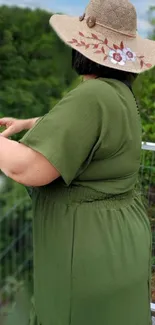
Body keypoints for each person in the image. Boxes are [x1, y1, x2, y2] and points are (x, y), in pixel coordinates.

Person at [0, 0, 155, 324]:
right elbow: (84, 129)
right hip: (120, 247)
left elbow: (27, 168)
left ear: (83, 47)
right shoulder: (120, 93)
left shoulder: (92, 96)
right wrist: (31, 123)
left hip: (86, 256)